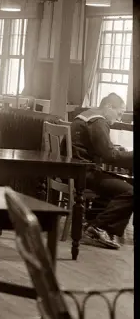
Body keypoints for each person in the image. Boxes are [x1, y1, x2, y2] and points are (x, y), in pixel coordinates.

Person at [70, 93, 133, 250]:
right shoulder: (98, 121)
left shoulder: (86, 115)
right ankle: (98, 228)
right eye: (119, 113)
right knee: (130, 191)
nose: (118, 119)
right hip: (85, 172)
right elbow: (109, 155)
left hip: (75, 169)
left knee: (116, 184)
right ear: (109, 107)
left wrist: (118, 151)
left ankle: (91, 222)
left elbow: (102, 149)